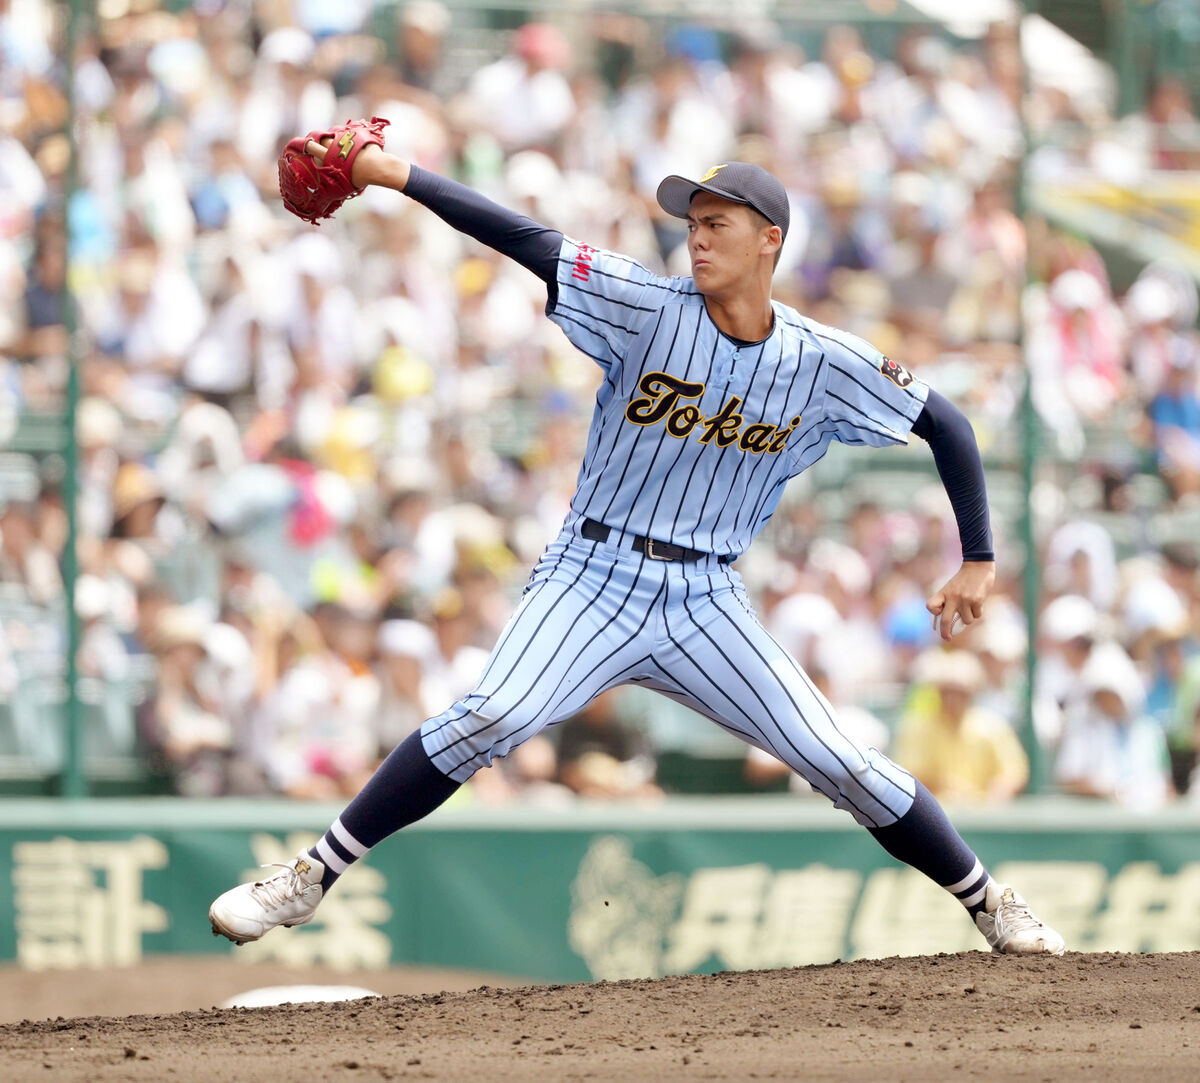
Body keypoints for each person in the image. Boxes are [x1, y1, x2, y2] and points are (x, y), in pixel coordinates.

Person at [209, 135, 1064, 957]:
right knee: (492, 715)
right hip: (592, 574)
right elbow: (525, 239)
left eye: (716, 223)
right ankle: (310, 876)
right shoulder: (648, 307)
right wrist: (398, 175)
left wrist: (979, 555)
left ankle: (990, 900)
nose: (695, 238)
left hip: (706, 600)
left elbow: (945, 422)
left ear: (770, 241)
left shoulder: (821, 359)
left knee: (837, 757)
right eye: (691, 222)